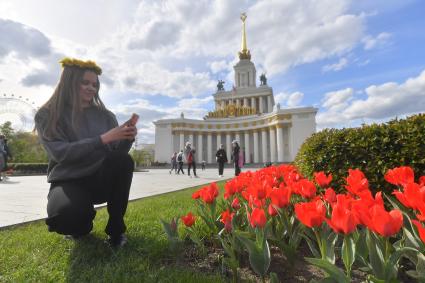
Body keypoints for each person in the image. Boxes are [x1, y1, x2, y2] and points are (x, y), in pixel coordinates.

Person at [34, 58, 137, 247]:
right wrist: (103, 139)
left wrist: (126, 138)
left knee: (124, 160)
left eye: (95, 84)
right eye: (85, 83)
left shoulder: (106, 115)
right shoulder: (47, 114)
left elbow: (117, 156)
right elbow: (61, 154)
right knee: (68, 218)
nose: (92, 88)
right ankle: (80, 223)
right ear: (70, 82)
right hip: (68, 180)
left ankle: (116, 231)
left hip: (99, 178)